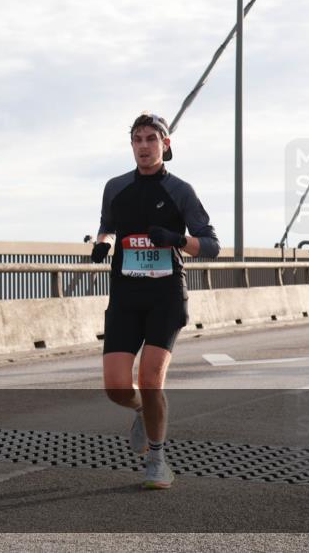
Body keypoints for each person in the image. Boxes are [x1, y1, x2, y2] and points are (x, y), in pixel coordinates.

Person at [90, 113, 220, 489]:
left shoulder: (180, 190)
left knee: (149, 380)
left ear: (165, 144)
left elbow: (211, 245)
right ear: (131, 145)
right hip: (126, 294)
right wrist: (103, 244)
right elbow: (108, 225)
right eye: (137, 139)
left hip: (165, 296)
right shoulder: (115, 187)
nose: (144, 146)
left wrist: (178, 240)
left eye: (151, 139)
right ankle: (141, 413)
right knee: (116, 387)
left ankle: (158, 460)